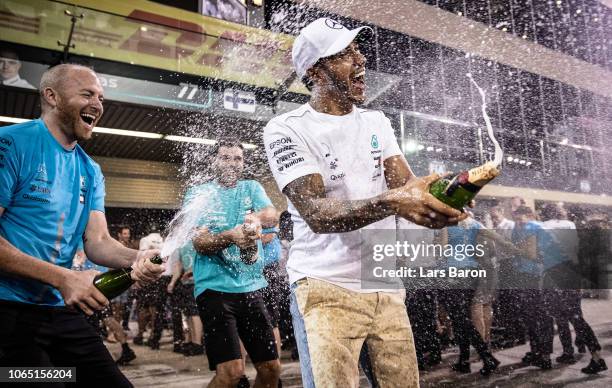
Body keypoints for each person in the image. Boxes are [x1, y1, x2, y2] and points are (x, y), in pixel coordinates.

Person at [263, 18, 466, 387]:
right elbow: (315, 213)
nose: (360, 61)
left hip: (383, 282)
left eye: (358, 50)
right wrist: (393, 201)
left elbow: (408, 187)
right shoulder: (288, 128)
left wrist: (448, 195)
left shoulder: (376, 121)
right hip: (324, 285)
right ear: (314, 71)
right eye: (344, 54)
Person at [0, 64, 163, 386]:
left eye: (101, 97)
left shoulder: (90, 170)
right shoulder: (11, 143)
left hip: (59, 311)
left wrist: (138, 259)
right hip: (7, 311)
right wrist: (64, 277)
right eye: (87, 94)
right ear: (52, 96)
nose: (98, 104)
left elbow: (98, 241)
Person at [189, 138, 281, 387]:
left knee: (271, 369)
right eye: (225, 157)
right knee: (231, 373)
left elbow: (271, 215)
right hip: (214, 289)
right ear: (214, 161)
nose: (232, 163)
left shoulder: (252, 188)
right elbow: (200, 243)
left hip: (252, 287)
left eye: (238, 158)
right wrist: (231, 236)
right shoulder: (200, 194)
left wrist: (254, 218)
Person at [540, 203, 607, 374]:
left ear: (544, 214)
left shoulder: (543, 227)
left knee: (561, 317)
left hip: (555, 274)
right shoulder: (570, 225)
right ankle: (590, 354)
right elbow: (575, 248)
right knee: (575, 316)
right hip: (572, 272)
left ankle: (586, 355)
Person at [437, 218, 500, 375]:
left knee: (460, 319)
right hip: (472, 271)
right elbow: (492, 244)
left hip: (453, 272)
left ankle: (487, 357)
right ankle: (464, 361)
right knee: (462, 318)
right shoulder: (474, 223)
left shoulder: (446, 223)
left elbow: (443, 250)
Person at [511, 205, 555, 370]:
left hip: (537, 276)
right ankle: (537, 352)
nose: (518, 221)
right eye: (516, 218)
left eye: (520, 218)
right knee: (532, 316)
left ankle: (543, 355)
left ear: (529, 215)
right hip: (527, 275)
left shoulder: (537, 228)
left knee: (539, 316)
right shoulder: (519, 228)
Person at [168, 244, 204, 356]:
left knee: (194, 313)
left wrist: (192, 272)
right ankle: (193, 342)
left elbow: (203, 260)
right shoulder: (181, 244)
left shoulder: (196, 239)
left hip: (198, 282)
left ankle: (197, 344)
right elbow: (178, 266)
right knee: (189, 313)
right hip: (186, 282)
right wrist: (173, 282)